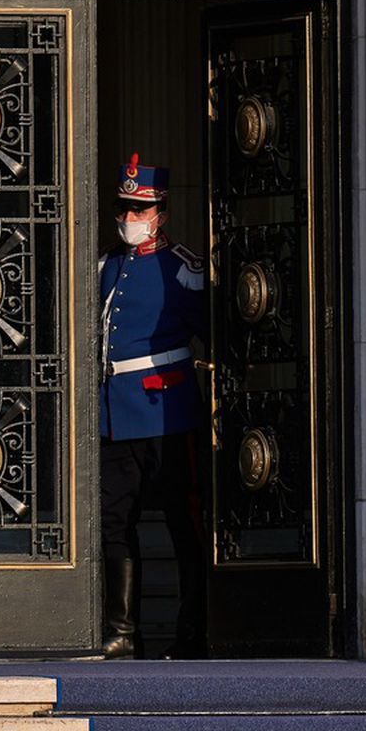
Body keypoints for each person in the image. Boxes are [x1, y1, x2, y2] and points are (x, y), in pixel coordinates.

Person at [98, 153, 208, 660]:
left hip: (167, 409)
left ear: (159, 214)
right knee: (114, 522)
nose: (129, 219)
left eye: (139, 210)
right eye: (125, 209)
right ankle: (122, 631)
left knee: (184, 525)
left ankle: (194, 631)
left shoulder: (183, 269)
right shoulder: (107, 267)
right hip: (116, 414)